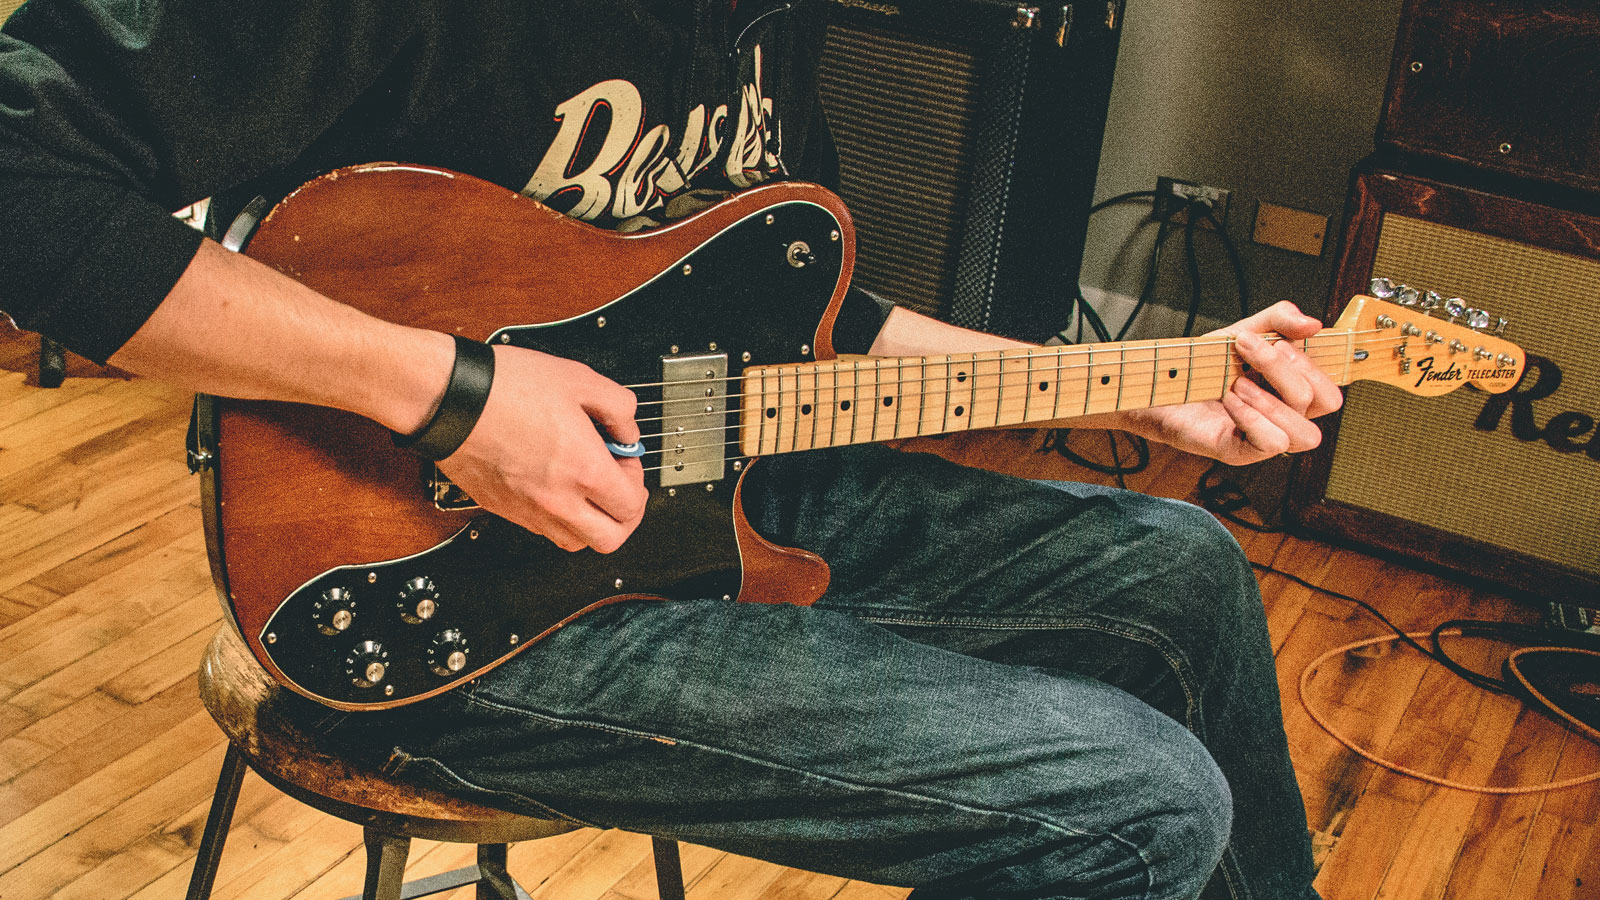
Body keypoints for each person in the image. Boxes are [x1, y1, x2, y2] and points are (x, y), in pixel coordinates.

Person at [0, 1, 1342, 897]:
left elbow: (802, 308)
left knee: (1186, 566)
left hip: (702, 483)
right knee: (1144, 803)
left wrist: (1118, 389)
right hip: (440, 597)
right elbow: (24, 181)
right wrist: (454, 400)